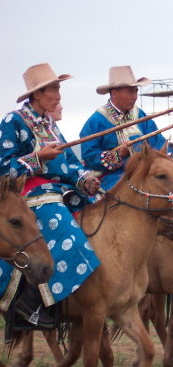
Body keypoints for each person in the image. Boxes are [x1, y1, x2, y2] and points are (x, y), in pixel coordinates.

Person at [0, 63, 101, 327]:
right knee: (66, 232)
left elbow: (69, 163)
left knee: (99, 210)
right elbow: (3, 167)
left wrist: (86, 179)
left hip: (58, 191)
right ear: (36, 94)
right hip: (26, 195)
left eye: (58, 89)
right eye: (53, 89)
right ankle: (32, 301)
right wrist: (37, 158)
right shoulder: (14, 121)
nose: (58, 95)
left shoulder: (49, 125)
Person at [80, 66, 168, 191]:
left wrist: (168, 160)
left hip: (145, 174)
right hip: (113, 178)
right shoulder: (96, 121)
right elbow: (89, 157)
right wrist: (118, 155)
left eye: (136, 91)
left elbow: (158, 142)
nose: (135, 97)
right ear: (114, 93)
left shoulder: (140, 115)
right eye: (129, 92)